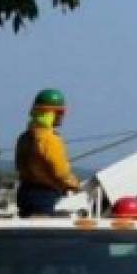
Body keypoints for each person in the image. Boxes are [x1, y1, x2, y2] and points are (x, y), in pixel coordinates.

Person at [15, 88, 79, 216]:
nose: (62, 117)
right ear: (54, 114)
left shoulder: (25, 137)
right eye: (61, 113)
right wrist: (74, 184)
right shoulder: (50, 139)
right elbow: (60, 172)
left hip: (25, 192)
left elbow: (19, 166)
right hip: (44, 195)